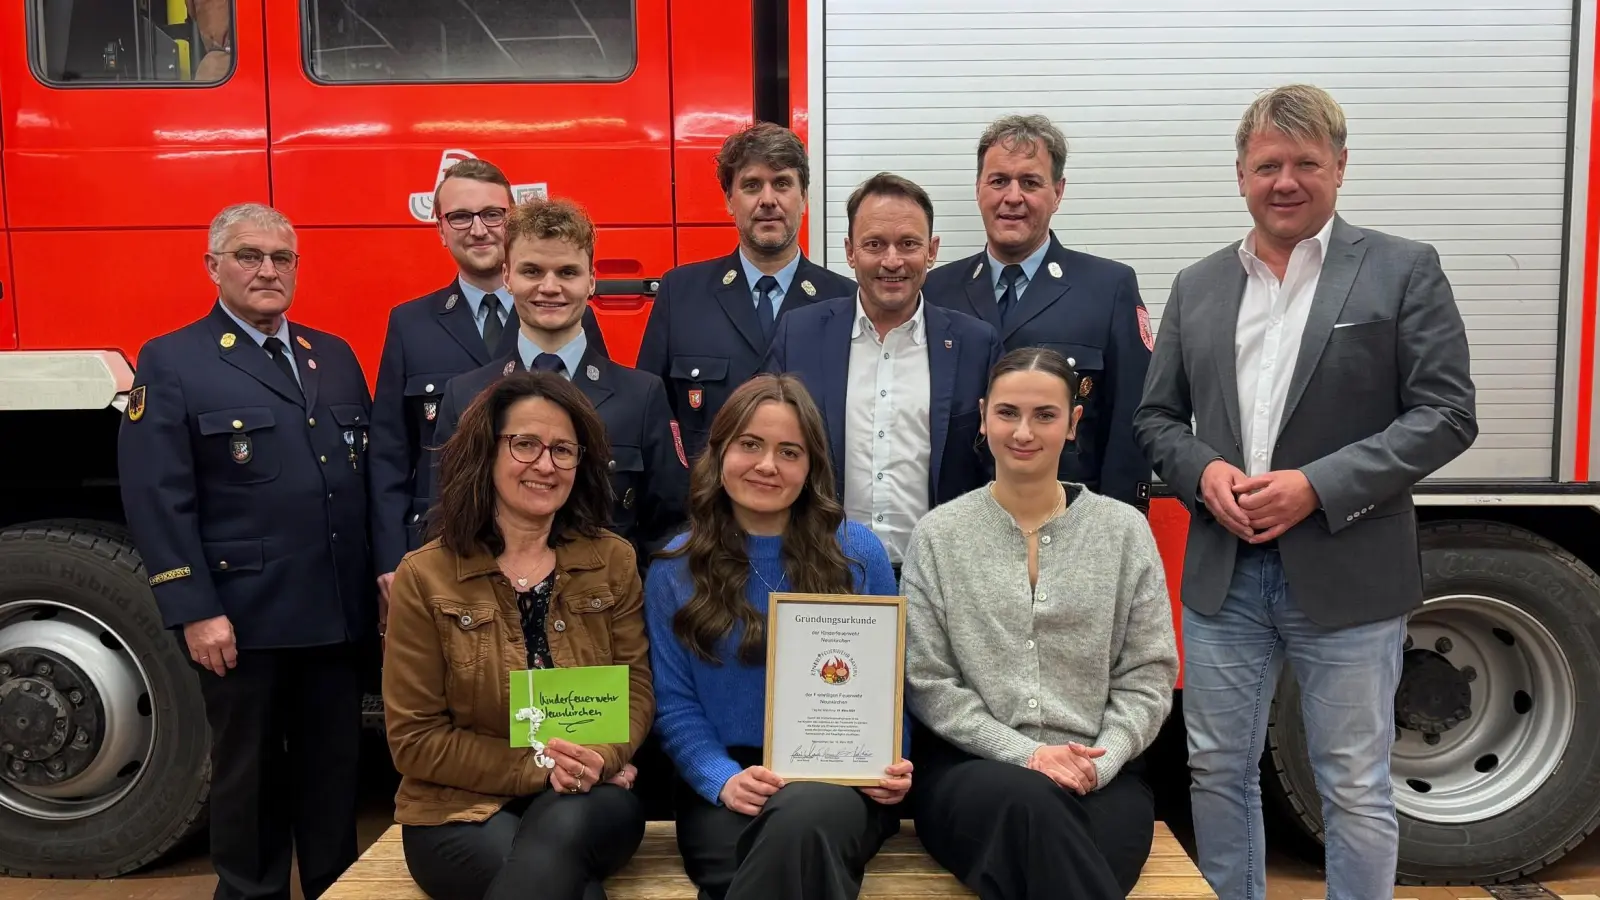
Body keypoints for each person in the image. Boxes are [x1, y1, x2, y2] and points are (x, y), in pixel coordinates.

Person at [1132, 84, 1477, 900]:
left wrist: (1316, 487)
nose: (1285, 181)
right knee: (1217, 767)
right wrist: (1202, 473)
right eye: (1267, 166)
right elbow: (1155, 419)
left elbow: (1448, 414)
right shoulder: (1200, 283)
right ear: (1241, 176)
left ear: (1341, 168)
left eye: (1305, 164)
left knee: (1353, 782)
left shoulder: (1403, 269)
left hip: (1349, 565)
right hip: (1225, 571)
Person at [117, 203, 374, 900]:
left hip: (335, 615)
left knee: (333, 781)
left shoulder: (336, 355)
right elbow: (156, 496)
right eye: (249, 256)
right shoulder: (173, 360)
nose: (267, 271)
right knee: (249, 784)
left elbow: (361, 480)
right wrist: (194, 608)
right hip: (243, 620)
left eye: (281, 259)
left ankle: (335, 889)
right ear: (214, 266)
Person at [902, 347, 1178, 899]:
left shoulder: (1124, 533)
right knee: (1030, 809)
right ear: (983, 417)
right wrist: (1027, 755)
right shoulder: (938, 535)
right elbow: (927, 680)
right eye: (1007, 413)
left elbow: (1148, 675)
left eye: (1045, 415)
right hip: (973, 774)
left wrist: (1101, 761)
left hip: (1099, 775)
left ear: (1073, 423)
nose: (1023, 431)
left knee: (1044, 859)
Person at [384, 372, 655, 900]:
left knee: (557, 842)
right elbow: (415, 741)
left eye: (563, 450)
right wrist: (542, 766)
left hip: (586, 798)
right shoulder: (424, 576)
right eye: (525, 444)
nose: (545, 465)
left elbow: (636, 691)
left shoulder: (613, 561)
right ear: (487, 452)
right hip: (455, 808)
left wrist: (601, 756)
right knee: (565, 883)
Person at [644, 375, 912, 900]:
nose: (767, 465)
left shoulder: (859, 554)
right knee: (771, 863)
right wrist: (720, 778)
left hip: (840, 781)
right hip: (728, 783)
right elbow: (673, 704)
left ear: (811, 467)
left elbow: (889, 687)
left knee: (803, 821)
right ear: (719, 453)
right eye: (749, 445)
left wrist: (890, 761)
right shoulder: (674, 567)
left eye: (789, 451)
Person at [371, 159, 608, 634]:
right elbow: (390, 455)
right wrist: (395, 559)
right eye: (460, 216)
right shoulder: (409, 324)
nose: (477, 229)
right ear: (440, 229)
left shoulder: (563, 313)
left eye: (492, 214)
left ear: (511, 218)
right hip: (455, 551)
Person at [426, 197, 688, 569]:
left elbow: (671, 525)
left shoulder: (641, 396)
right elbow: (446, 521)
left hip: (608, 613)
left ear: (591, 280)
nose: (550, 287)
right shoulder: (465, 395)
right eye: (532, 271)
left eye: (567, 272)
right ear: (507, 277)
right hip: (495, 616)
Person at [765, 173, 1001, 574]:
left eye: (908, 244)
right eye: (874, 244)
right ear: (850, 252)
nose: (892, 261)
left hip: (942, 574)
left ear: (931, 251)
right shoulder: (797, 334)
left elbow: (996, 467)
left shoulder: (976, 344)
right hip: (822, 571)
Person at [922, 114, 1152, 513]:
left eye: (1030, 182)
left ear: (1058, 192)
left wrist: (1119, 532)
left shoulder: (1108, 288)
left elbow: (1131, 429)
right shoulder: (935, 290)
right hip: (958, 524)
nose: (1013, 197)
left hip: (1070, 523)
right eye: (998, 181)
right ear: (978, 188)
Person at [637, 122, 856, 461]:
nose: (768, 200)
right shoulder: (679, 294)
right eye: (752, 185)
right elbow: (651, 419)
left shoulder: (845, 301)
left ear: (804, 198)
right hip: (705, 509)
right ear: (729, 200)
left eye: (782, 184)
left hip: (807, 510)